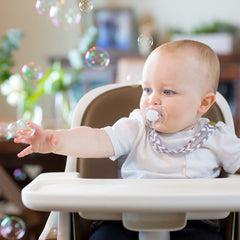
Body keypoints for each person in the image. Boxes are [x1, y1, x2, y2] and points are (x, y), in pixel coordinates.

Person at [14, 40, 240, 240]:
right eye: (147, 89)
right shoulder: (136, 127)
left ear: (203, 103)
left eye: (168, 92)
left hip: (194, 224)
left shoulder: (217, 137)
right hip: (125, 221)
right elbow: (97, 139)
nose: (152, 100)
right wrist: (55, 139)